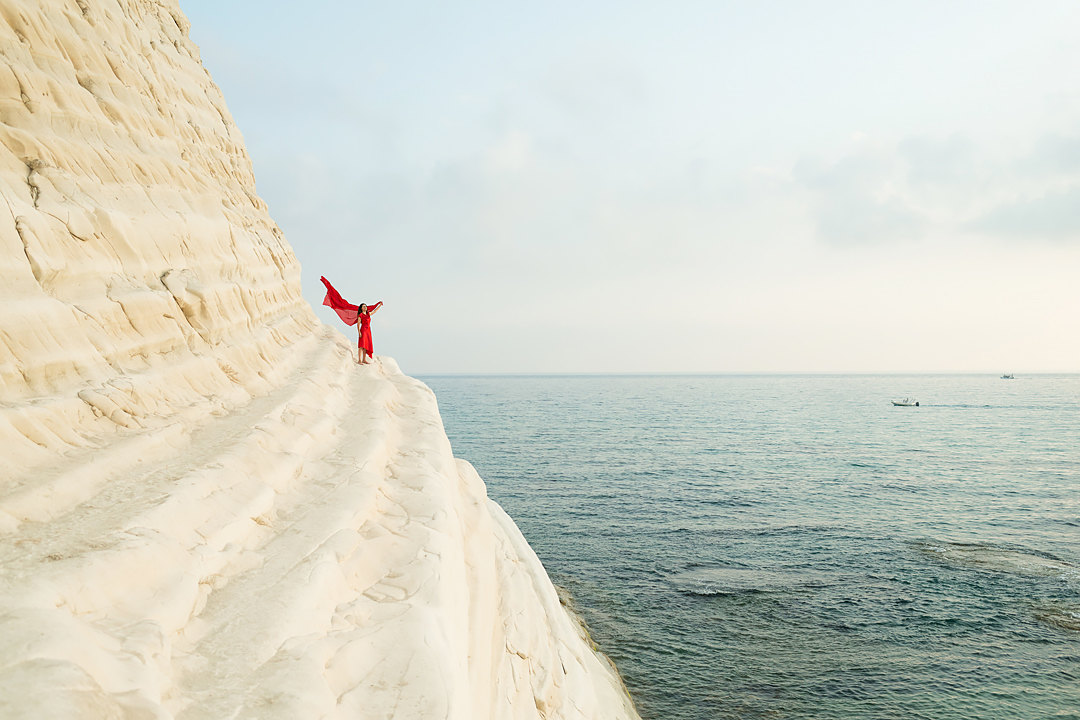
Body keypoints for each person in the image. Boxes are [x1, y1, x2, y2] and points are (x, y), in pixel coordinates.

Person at [319, 276, 383, 364]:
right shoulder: (360, 315)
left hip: (368, 331)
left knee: (366, 346)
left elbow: (374, 311)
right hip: (363, 330)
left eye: (365, 306)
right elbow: (358, 324)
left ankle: (364, 359)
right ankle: (360, 360)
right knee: (361, 346)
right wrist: (359, 332)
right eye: (364, 306)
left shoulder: (368, 314)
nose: (365, 307)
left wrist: (379, 304)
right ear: (361, 308)